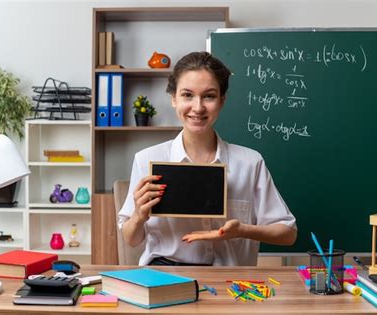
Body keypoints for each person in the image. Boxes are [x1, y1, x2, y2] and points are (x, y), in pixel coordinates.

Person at [119, 51, 297, 266]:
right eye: (187, 95)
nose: (198, 107)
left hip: (230, 281)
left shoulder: (250, 162)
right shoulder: (147, 159)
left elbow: (288, 234)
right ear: (174, 99)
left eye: (209, 96)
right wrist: (139, 215)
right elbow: (131, 239)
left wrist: (243, 230)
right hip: (164, 276)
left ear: (222, 100)